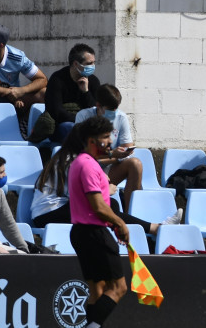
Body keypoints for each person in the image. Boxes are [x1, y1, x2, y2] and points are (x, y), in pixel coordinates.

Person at [31, 123, 182, 233]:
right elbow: (81, 198)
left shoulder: (73, 157)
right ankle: (155, 228)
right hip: (48, 213)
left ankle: (149, 229)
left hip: (53, 210)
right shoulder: (72, 162)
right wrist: (106, 191)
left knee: (113, 206)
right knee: (106, 208)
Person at [68, 116, 131, 328]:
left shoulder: (83, 162)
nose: (110, 142)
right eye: (105, 137)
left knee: (98, 290)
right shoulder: (87, 166)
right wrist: (119, 223)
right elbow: (98, 206)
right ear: (91, 140)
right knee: (119, 287)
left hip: (83, 232)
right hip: (94, 233)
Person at [74, 84, 143, 206]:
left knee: (135, 164)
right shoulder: (83, 116)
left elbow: (128, 149)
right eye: (110, 111)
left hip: (109, 169)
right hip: (86, 170)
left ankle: (131, 214)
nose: (114, 113)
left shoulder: (121, 117)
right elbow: (80, 156)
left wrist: (118, 155)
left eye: (115, 109)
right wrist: (112, 155)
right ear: (98, 106)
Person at [0, 22, 47, 111]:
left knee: (44, 93)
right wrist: (8, 92)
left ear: (0, 45)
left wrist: (22, 90)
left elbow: (42, 79)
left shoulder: (18, 57)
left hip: (14, 100)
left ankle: (24, 121)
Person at [39, 43, 100, 143]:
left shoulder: (93, 81)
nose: (92, 66)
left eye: (94, 63)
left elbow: (96, 109)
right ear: (76, 64)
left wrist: (85, 92)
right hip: (61, 126)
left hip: (87, 125)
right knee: (71, 128)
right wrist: (80, 121)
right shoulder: (57, 79)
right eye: (89, 63)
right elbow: (56, 111)